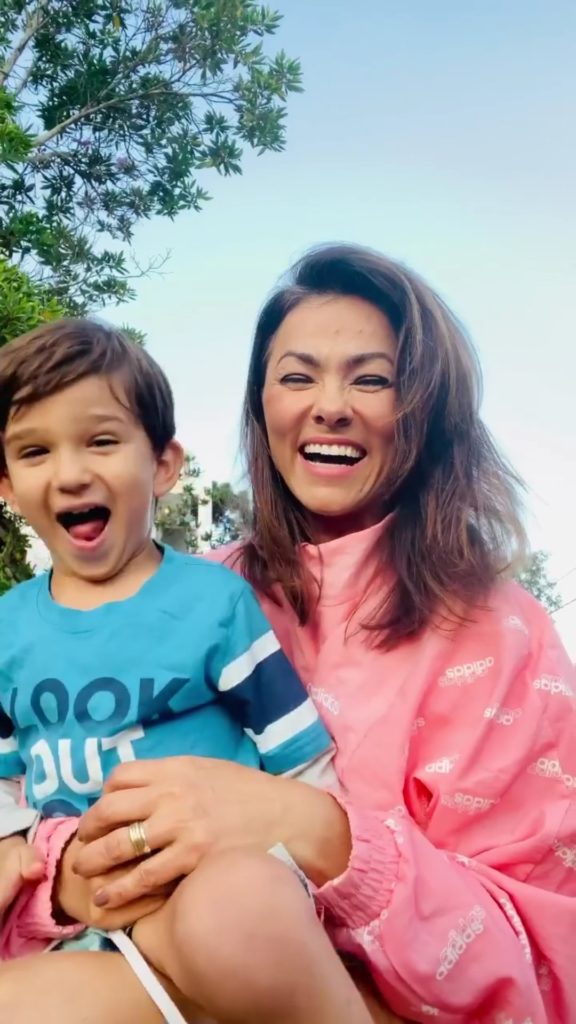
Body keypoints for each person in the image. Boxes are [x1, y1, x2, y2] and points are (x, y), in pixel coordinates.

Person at [1, 242, 575, 1023]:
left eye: (371, 378)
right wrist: (68, 872)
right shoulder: (189, 590)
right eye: (297, 376)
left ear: (428, 407)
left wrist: (308, 827)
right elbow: (35, 794)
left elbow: (549, 962)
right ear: (261, 405)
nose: (329, 405)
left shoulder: (504, 633)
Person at [0, 318, 379, 1024]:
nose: (72, 471)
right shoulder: (6, 627)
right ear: (7, 484)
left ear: (165, 465)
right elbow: (8, 782)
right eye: (35, 451)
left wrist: (318, 904)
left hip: (216, 892)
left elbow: (299, 759)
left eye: (102, 441)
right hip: (90, 932)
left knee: (236, 913)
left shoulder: (213, 603)